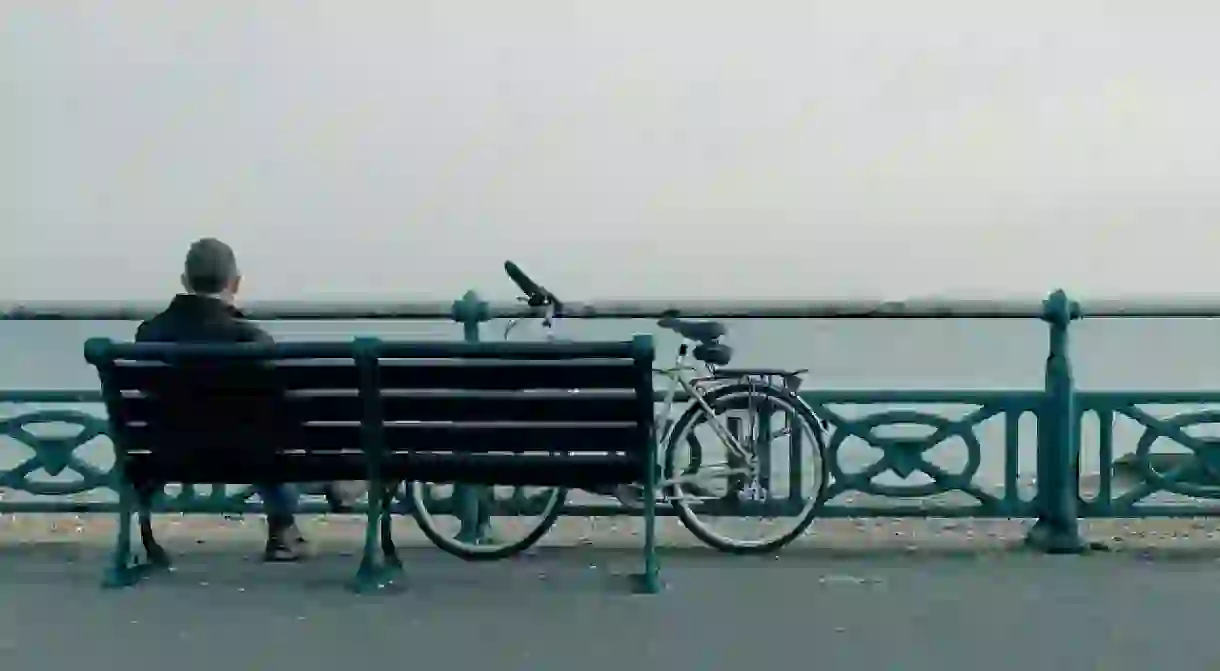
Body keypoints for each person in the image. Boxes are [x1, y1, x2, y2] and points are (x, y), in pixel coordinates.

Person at [135, 237, 309, 561]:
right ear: (236, 283)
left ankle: (142, 536)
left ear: (185, 282)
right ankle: (284, 527)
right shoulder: (250, 339)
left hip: (169, 455)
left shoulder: (148, 335)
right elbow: (283, 411)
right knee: (272, 437)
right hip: (248, 459)